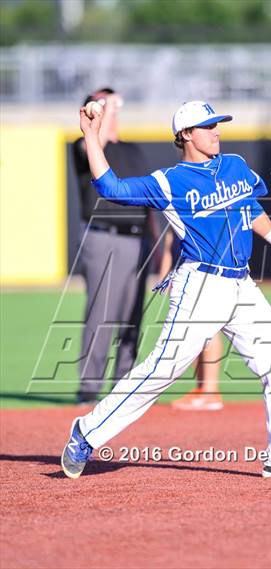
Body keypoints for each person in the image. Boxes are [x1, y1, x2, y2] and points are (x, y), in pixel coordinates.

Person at [62, 100, 271, 481]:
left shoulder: (234, 166)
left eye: (217, 124)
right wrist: (91, 135)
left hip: (241, 285)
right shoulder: (170, 181)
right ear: (185, 134)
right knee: (161, 371)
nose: (217, 131)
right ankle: (85, 433)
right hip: (200, 286)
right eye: (208, 126)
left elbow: (250, 209)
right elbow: (110, 186)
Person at [73, 87, 153, 404]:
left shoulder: (132, 150)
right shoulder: (86, 145)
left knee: (132, 316)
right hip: (102, 236)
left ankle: (125, 386)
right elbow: (94, 144)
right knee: (101, 313)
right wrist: (100, 117)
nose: (113, 109)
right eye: (105, 103)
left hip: (137, 238)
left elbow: (147, 200)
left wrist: (157, 242)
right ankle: (89, 388)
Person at [159, 229, 224, 411]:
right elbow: (171, 233)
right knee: (194, 329)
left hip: (208, 266)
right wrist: (167, 268)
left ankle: (210, 391)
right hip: (185, 267)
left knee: (209, 327)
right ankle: (202, 388)